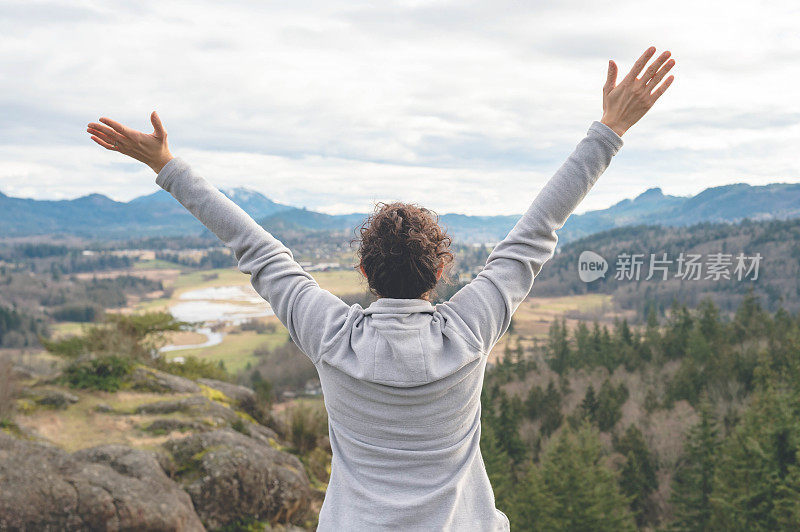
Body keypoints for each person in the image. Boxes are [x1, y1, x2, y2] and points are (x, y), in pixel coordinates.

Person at [87, 47, 674, 531]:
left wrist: (167, 166)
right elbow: (536, 231)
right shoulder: (468, 330)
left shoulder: (332, 337)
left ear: (364, 276)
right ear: (440, 272)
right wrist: (609, 130)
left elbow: (256, 248)